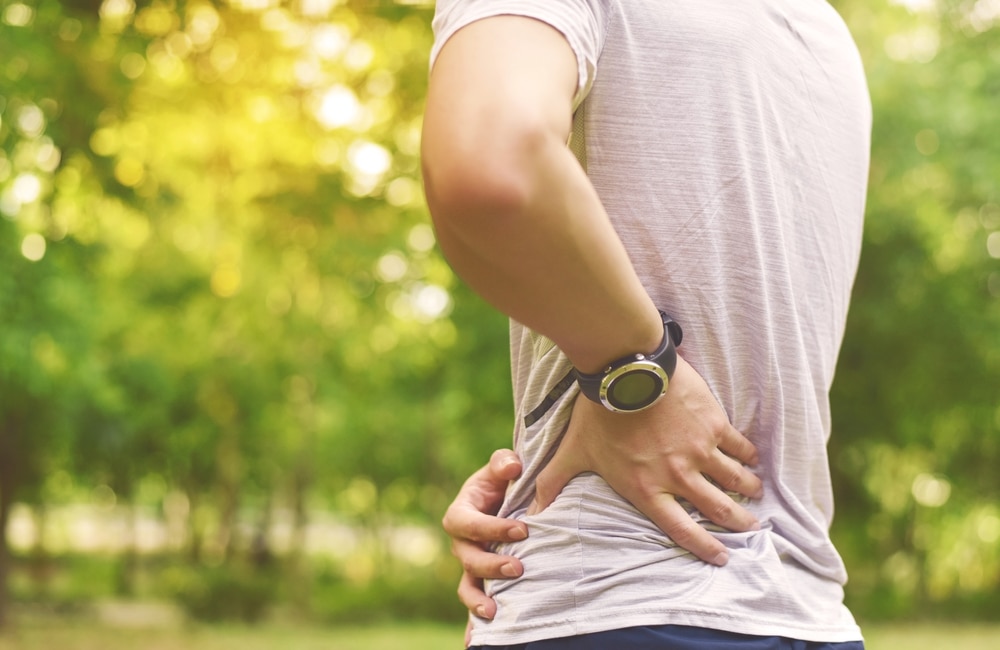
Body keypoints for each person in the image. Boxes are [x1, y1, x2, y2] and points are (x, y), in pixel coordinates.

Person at [422, 1, 872, 648]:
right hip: (805, 611)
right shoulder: (818, 29)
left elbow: (491, 158)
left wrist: (634, 371)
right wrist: (543, 450)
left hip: (614, 601)